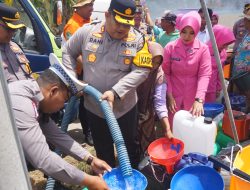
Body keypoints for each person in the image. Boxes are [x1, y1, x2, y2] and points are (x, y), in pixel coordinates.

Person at [62, 0, 152, 168]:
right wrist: (72, 78)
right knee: (103, 149)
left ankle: (131, 178)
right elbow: (67, 50)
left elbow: (142, 71)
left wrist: (115, 92)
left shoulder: (138, 39)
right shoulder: (87, 32)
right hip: (95, 107)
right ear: (107, 15)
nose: (122, 28)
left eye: (127, 24)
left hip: (124, 108)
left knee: (129, 147)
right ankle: (108, 180)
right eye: (118, 22)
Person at [8, 62, 111, 189]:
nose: (63, 106)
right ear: (54, 91)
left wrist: (90, 159)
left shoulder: (35, 95)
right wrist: (89, 181)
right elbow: (43, 159)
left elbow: (56, 135)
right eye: (65, 100)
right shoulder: (22, 104)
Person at [162, 11, 212, 127]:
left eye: (191, 33)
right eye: (184, 32)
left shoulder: (203, 49)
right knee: (173, 126)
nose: (186, 36)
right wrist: (169, 95)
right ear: (180, 30)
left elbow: (204, 75)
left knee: (192, 127)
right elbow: (166, 73)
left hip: (193, 96)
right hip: (174, 95)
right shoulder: (170, 48)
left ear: (196, 32)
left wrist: (199, 99)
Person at [61, 0, 94, 145]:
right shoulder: (72, 25)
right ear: (79, 8)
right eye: (88, 6)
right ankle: (65, 135)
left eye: (92, 5)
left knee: (87, 102)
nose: (91, 8)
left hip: (88, 69)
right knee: (77, 102)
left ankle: (89, 131)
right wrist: (90, 68)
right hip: (78, 72)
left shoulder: (89, 22)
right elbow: (74, 53)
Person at [137, 41, 173, 155]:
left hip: (148, 110)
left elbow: (160, 102)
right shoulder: (135, 69)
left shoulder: (159, 75)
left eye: (158, 62)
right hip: (130, 108)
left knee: (147, 141)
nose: (154, 66)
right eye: (152, 61)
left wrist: (167, 129)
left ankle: (145, 163)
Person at [0, 3, 32, 83]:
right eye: (8, 29)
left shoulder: (16, 48)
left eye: (14, 30)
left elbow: (30, 77)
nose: (12, 33)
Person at [205, 25, 235, 103]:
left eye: (227, 44)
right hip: (201, 88)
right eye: (224, 44)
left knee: (210, 108)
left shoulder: (223, 53)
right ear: (217, 39)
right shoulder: (204, 50)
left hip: (212, 89)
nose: (225, 47)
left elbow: (220, 72)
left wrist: (218, 88)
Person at [232, 6, 250, 112]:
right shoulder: (247, 33)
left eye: (246, 20)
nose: (244, 21)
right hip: (241, 75)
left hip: (247, 75)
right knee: (246, 100)